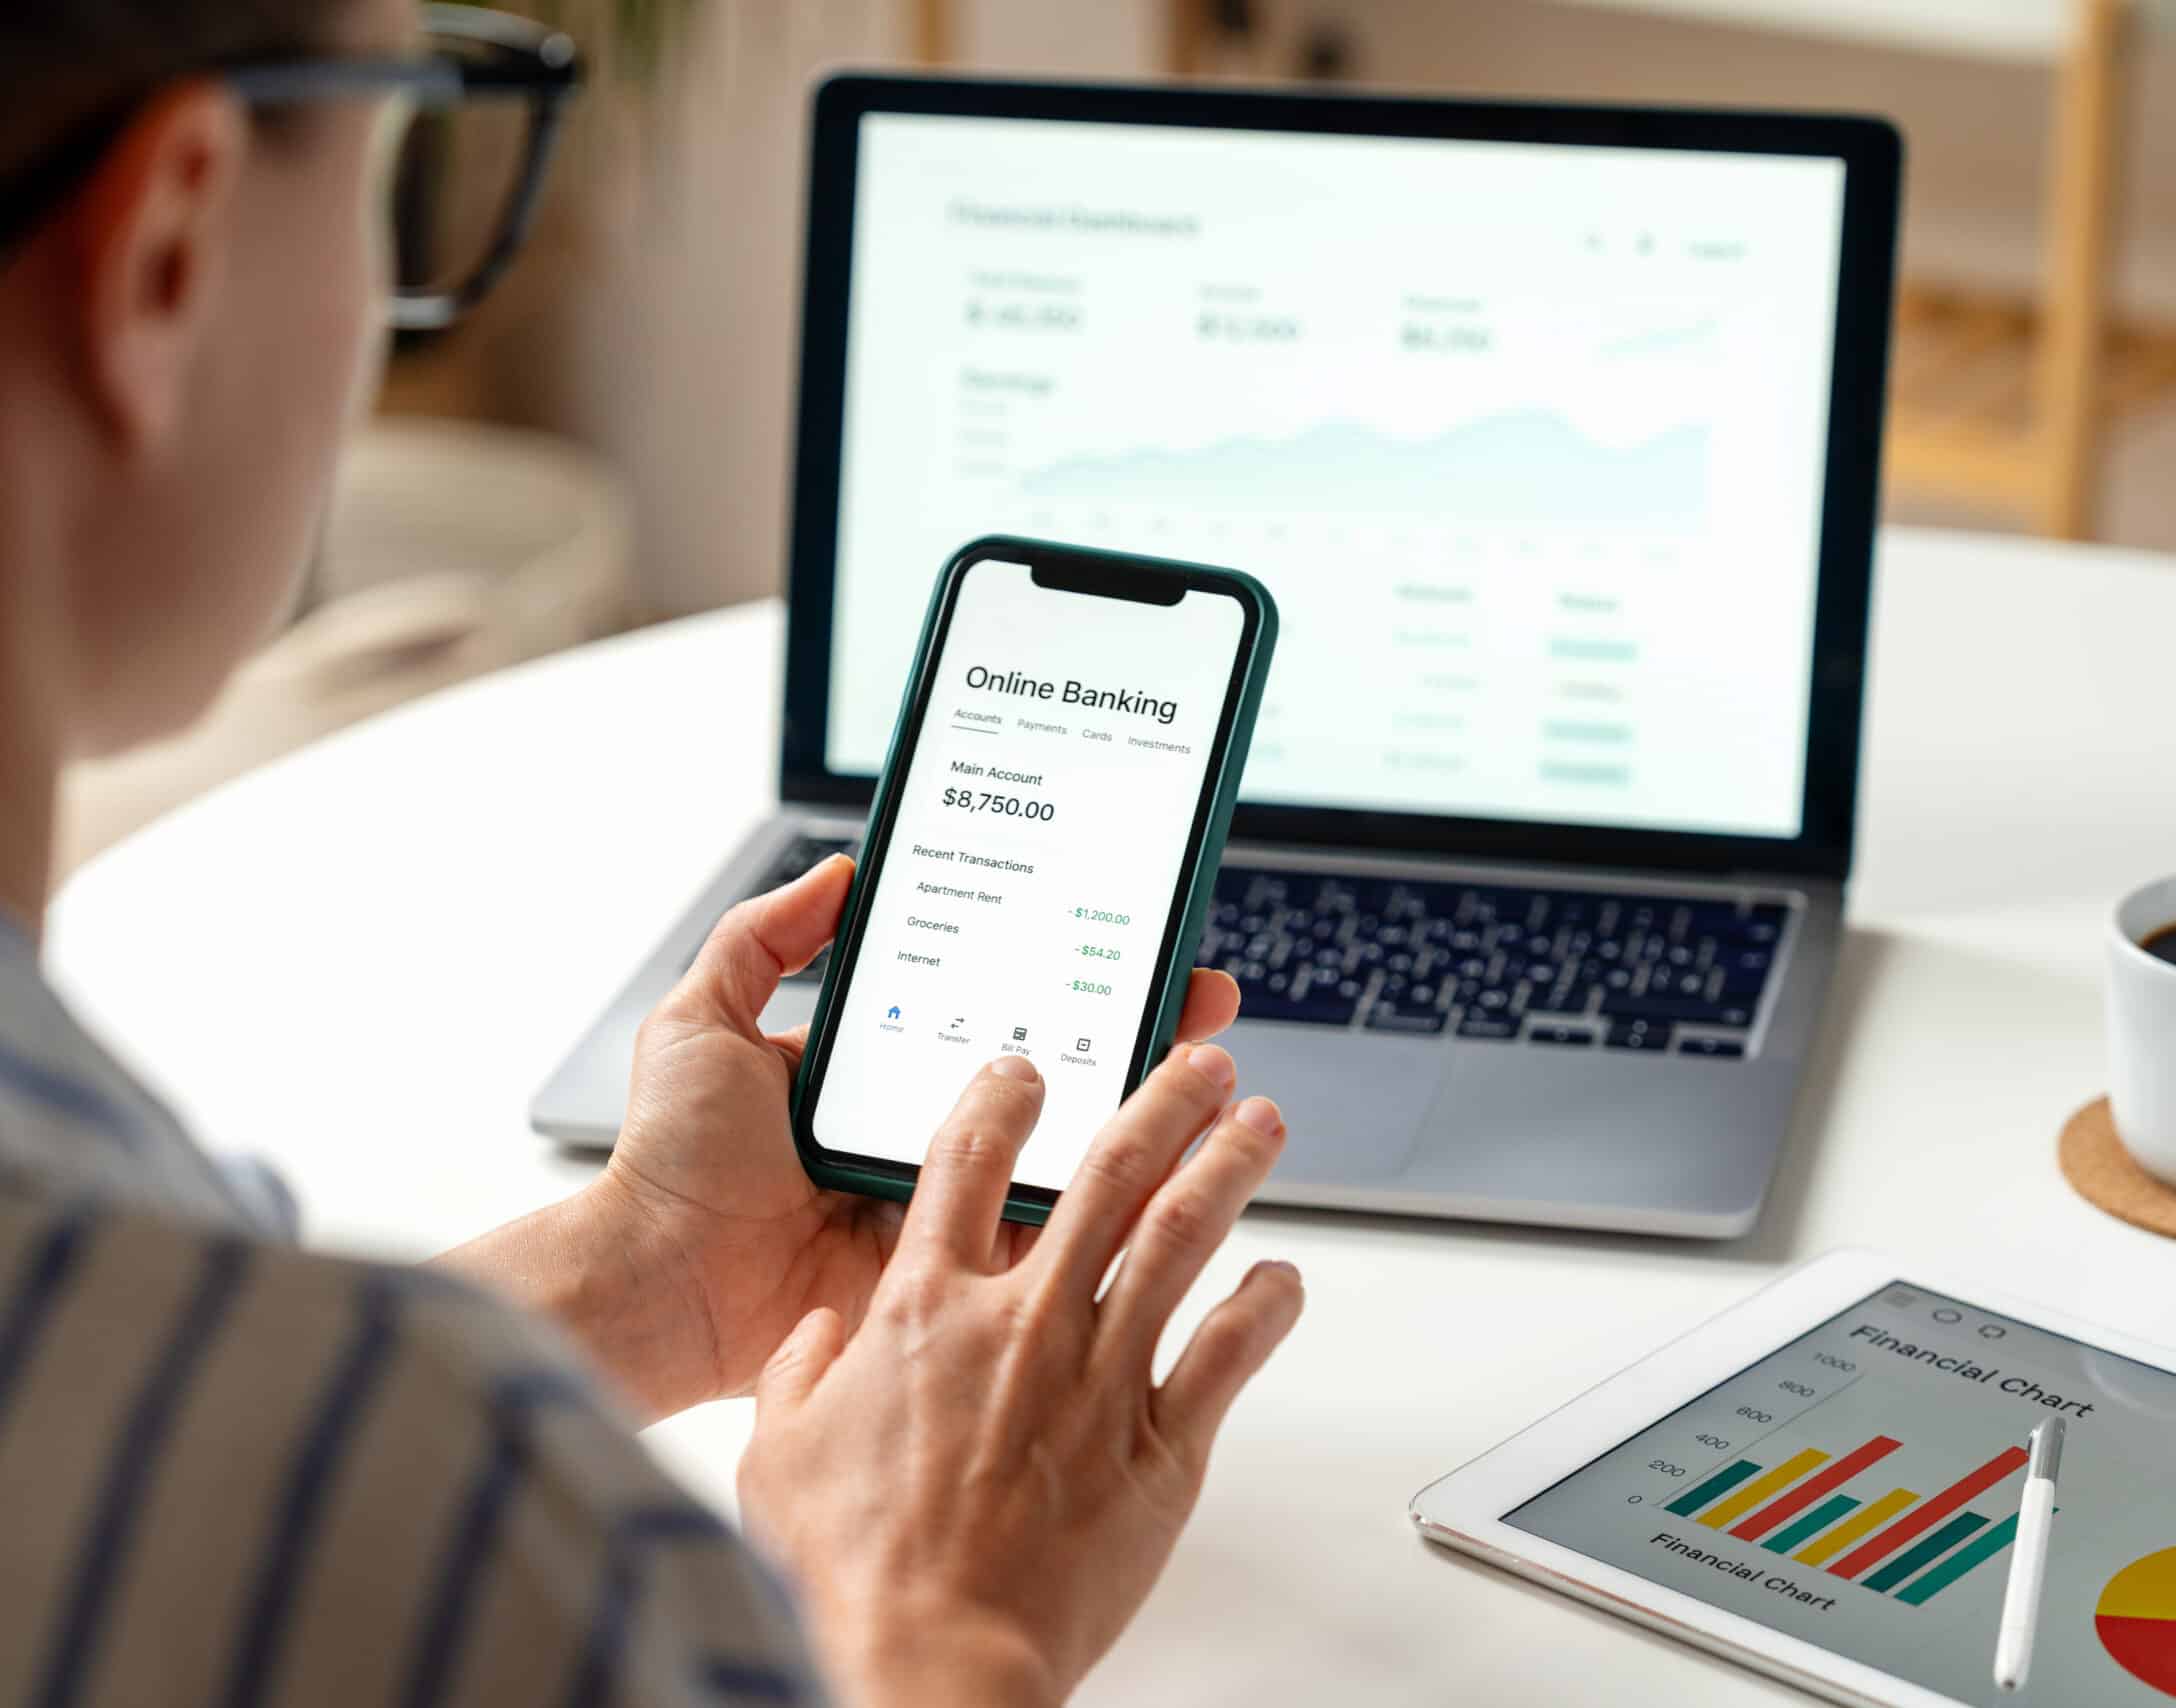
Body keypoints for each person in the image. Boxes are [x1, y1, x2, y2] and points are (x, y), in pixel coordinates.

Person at [0, 3, 1304, 1704]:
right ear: (168, 252)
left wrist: (655, 1273)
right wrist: (940, 1620)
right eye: (397, 152)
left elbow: (192, 1440)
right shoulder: (474, 1558)